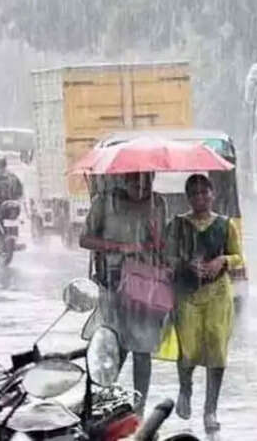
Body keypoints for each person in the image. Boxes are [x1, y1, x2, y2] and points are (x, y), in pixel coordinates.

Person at [79, 172, 167, 416]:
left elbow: (163, 243)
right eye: (136, 183)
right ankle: (103, 403)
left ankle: (139, 408)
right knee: (112, 346)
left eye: (147, 183)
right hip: (112, 284)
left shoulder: (158, 203)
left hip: (145, 286)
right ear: (126, 181)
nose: (142, 188)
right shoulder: (104, 203)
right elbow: (84, 239)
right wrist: (119, 247)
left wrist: (155, 243)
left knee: (143, 349)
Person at [164, 174, 244, 435]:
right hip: (187, 294)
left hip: (218, 294)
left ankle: (211, 410)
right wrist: (186, 264)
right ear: (188, 198)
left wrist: (222, 261)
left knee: (217, 348)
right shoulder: (177, 225)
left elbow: (239, 257)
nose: (200, 198)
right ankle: (185, 389)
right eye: (194, 194)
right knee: (188, 347)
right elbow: (166, 256)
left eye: (204, 193)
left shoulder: (225, 225)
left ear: (212, 194)